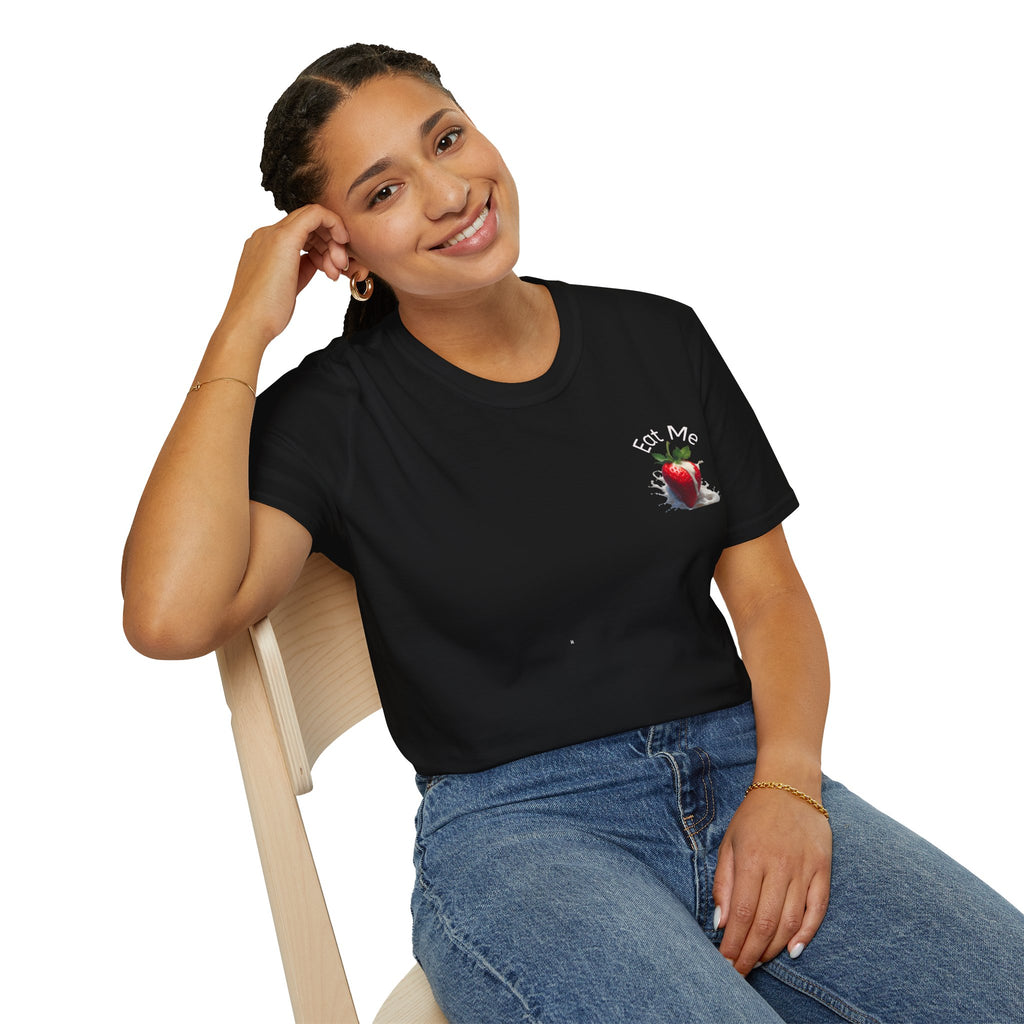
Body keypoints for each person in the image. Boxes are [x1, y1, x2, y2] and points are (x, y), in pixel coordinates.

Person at [122, 43, 1024, 1023]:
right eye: (384, 192)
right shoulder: (332, 414)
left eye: (448, 139)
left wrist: (789, 787)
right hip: (523, 832)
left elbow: (767, 599)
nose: (448, 191)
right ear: (342, 254)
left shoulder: (657, 342)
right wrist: (241, 329)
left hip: (743, 769)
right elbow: (170, 614)